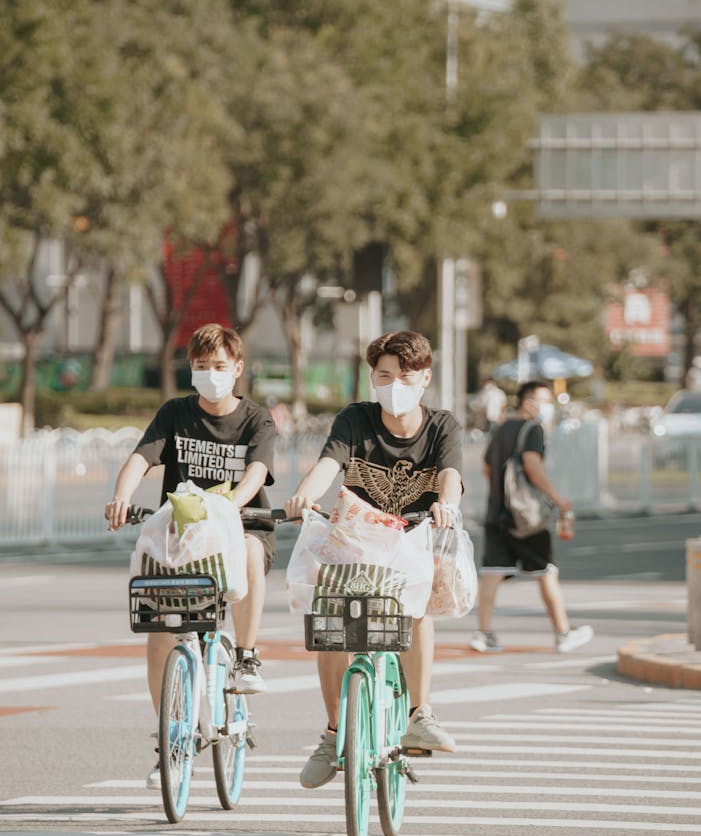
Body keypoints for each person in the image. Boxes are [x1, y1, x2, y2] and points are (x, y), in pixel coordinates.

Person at [283, 330, 463, 789]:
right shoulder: (356, 420)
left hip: (411, 542)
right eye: (384, 376)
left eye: (405, 376)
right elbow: (330, 461)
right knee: (329, 620)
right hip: (353, 541)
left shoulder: (443, 426)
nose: (394, 385)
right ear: (372, 378)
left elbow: (450, 475)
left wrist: (447, 504)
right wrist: (307, 492)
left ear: (424, 378)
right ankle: (333, 733)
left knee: (416, 606)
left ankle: (419, 712)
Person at [105, 323, 276, 788]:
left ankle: (245, 656)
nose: (210, 374)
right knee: (159, 630)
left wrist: (229, 505)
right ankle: (171, 739)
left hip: (239, 524)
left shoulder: (256, 419)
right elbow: (141, 458)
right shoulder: (175, 413)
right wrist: (121, 496)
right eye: (201, 366)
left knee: (247, 550)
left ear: (238, 369)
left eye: (220, 366)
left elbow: (257, 470)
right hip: (181, 534)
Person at [471, 379, 593, 654]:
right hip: (526, 516)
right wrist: (557, 499)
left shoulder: (501, 428)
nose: (547, 407)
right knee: (546, 571)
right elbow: (532, 466)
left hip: (496, 512)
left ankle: (483, 632)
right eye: (544, 400)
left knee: (492, 573)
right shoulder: (532, 429)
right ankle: (563, 633)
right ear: (528, 402)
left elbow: (487, 467)